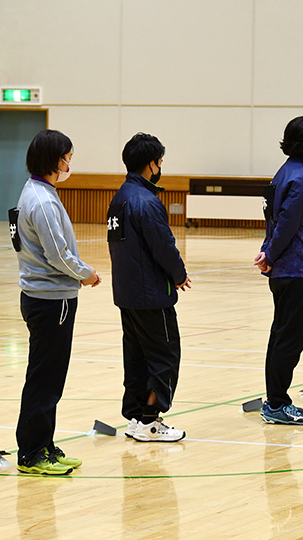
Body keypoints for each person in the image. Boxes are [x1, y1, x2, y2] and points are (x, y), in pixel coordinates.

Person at [12, 129, 100, 476]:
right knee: (44, 378)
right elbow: (57, 254)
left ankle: (44, 444)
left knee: (50, 377)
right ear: (54, 159)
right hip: (50, 300)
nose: (69, 163)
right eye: (67, 157)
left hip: (47, 298)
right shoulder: (43, 200)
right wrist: (85, 273)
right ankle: (32, 452)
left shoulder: (37, 192)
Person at [108, 133, 190, 442]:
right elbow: (163, 246)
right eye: (160, 162)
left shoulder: (120, 197)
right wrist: (179, 274)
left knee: (138, 357)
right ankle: (149, 420)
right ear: (152, 165)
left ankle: (136, 419)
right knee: (165, 356)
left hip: (127, 294)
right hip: (151, 295)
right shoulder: (147, 202)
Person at [254, 116, 303, 425]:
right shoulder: (300, 178)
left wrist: (269, 252)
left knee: (282, 334)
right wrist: (270, 251)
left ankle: (276, 400)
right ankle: (277, 404)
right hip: (297, 267)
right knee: (290, 337)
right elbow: (286, 222)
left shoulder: (284, 174)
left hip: (288, 266)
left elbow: (275, 220)